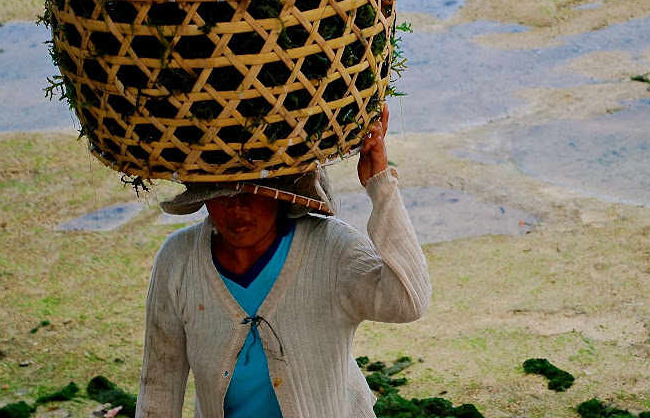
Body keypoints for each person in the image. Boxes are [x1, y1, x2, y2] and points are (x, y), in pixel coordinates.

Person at [136, 104, 431, 417]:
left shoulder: (332, 250)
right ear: (202, 193)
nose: (237, 206)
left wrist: (382, 186)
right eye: (221, 192)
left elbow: (407, 301)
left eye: (253, 190)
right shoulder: (178, 260)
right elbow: (159, 386)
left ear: (281, 190)